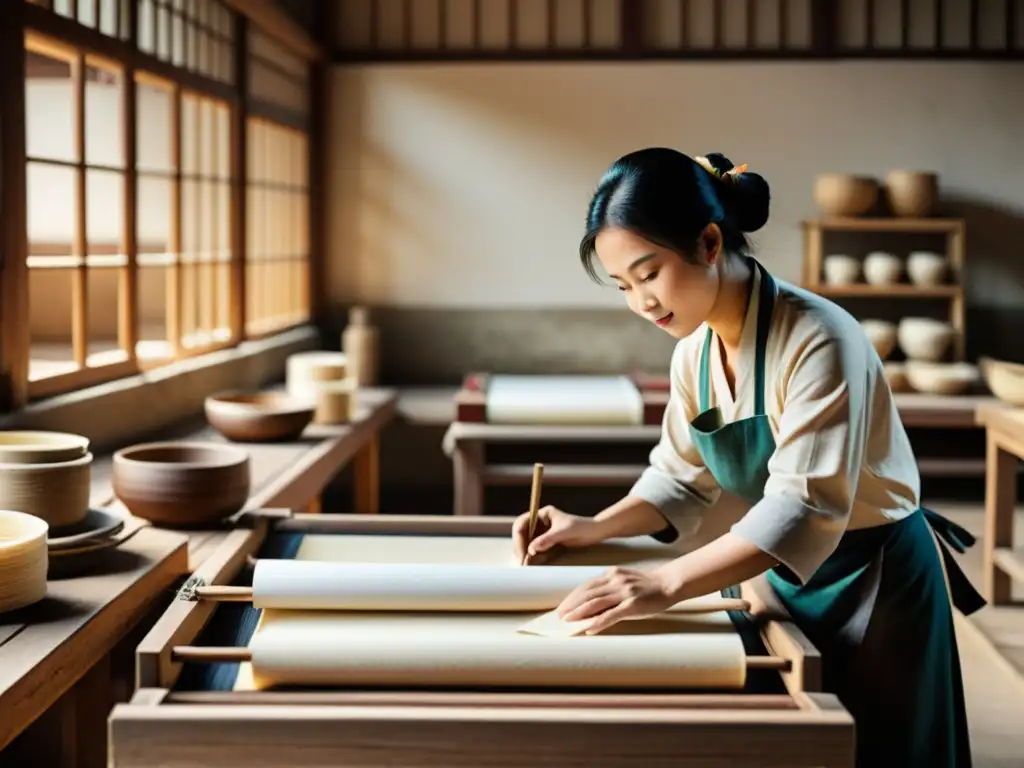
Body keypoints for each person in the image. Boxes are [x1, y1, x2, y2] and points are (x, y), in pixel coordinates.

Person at [512, 148, 985, 768]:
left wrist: (664, 581)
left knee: (882, 747)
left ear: (709, 242)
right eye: (625, 286)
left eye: (649, 273)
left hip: (875, 579)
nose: (642, 303)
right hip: (780, 573)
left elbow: (802, 505)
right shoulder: (694, 352)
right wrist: (594, 526)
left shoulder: (820, 338)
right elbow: (677, 479)